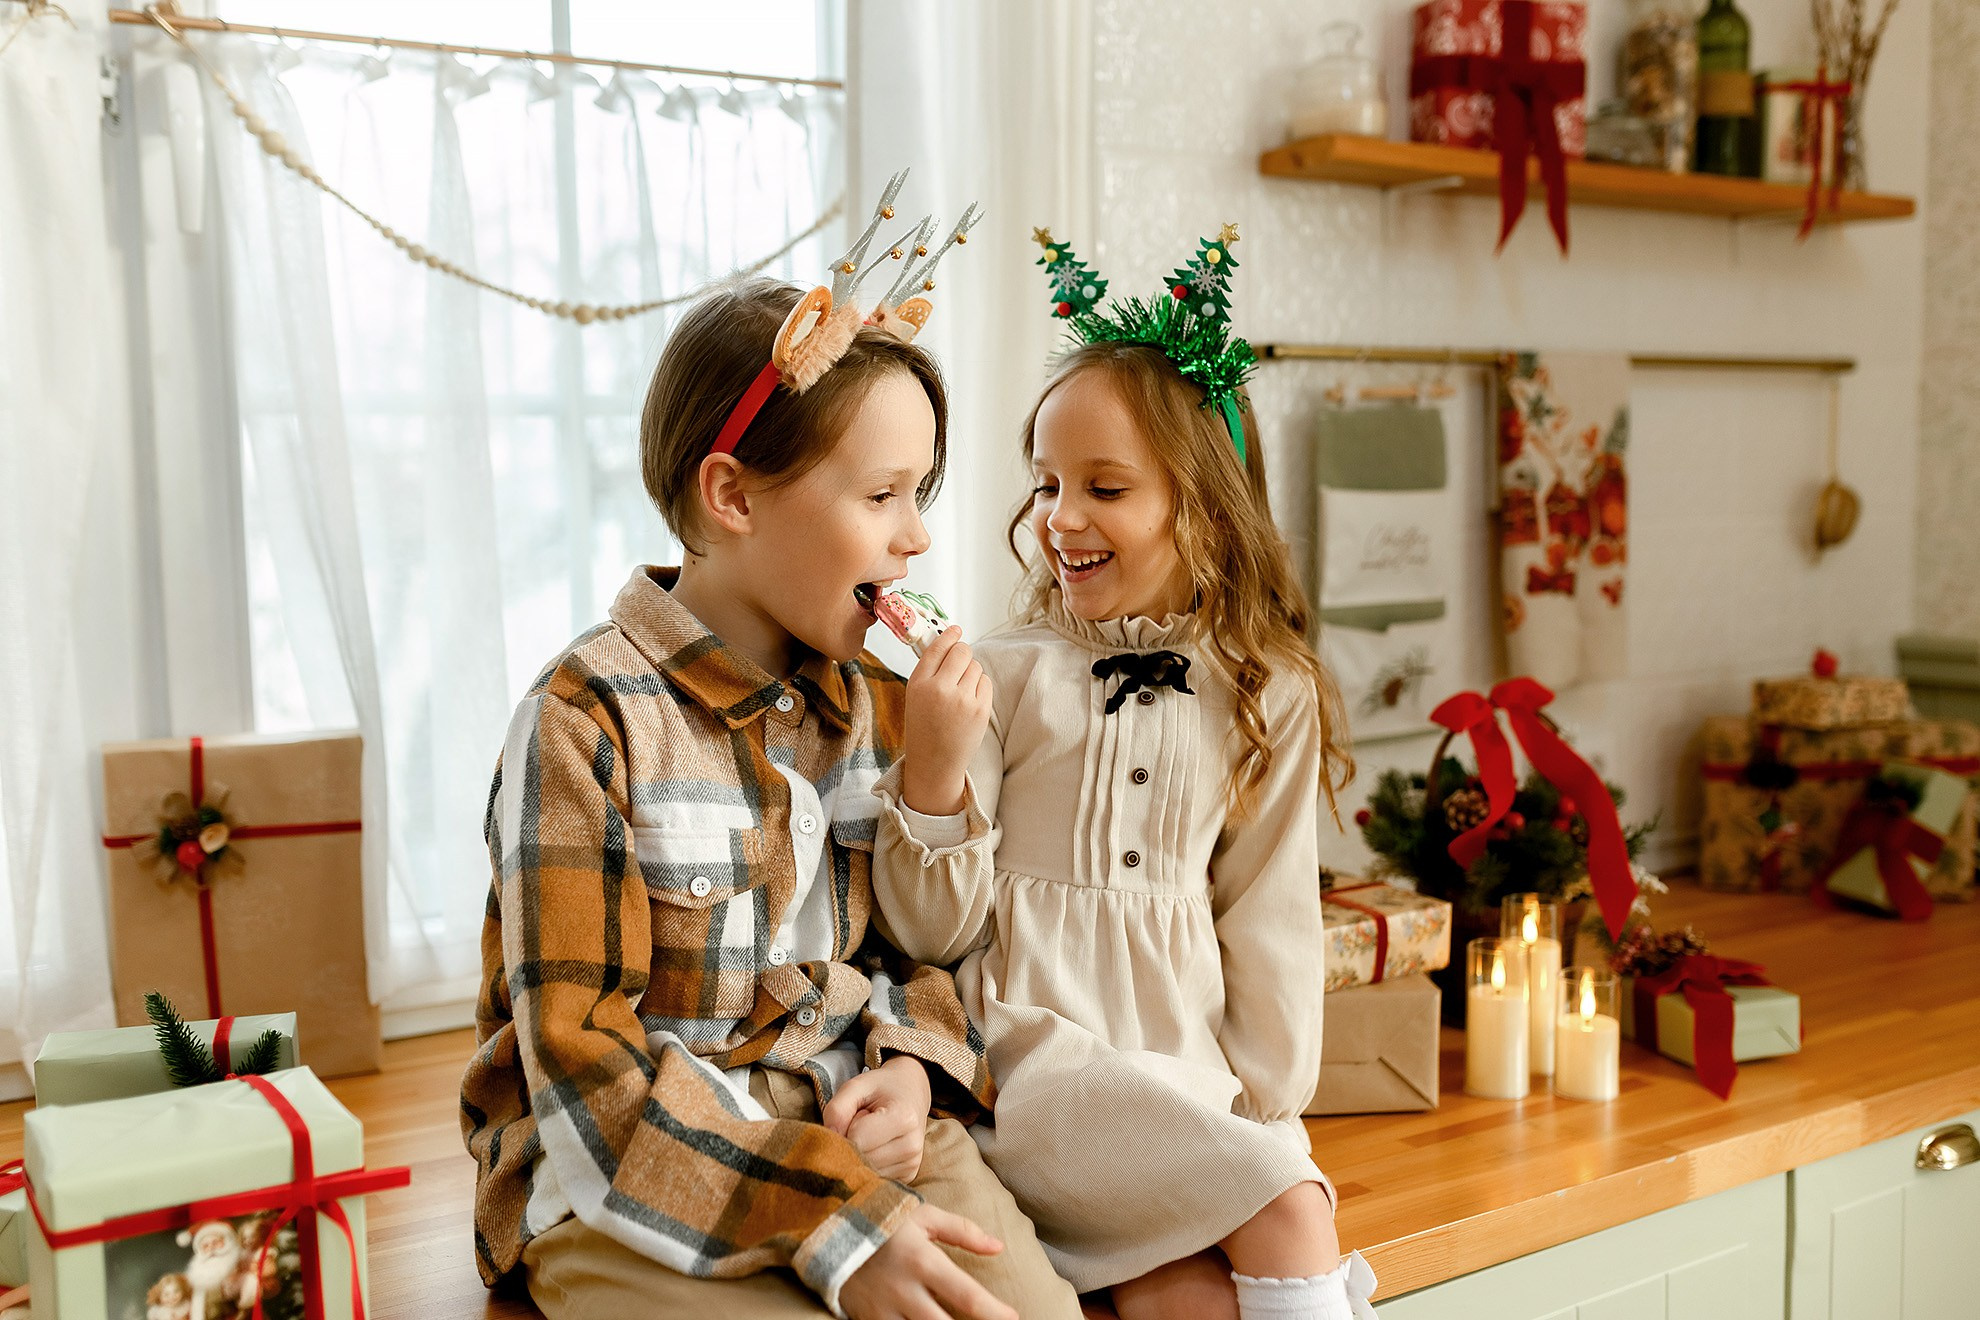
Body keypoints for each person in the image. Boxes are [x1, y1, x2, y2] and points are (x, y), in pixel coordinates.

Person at [462, 177, 1079, 1320]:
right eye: (884, 493)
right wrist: (830, 1228)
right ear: (733, 496)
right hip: (630, 1171)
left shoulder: (868, 701)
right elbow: (587, 1081)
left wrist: (909, 1067)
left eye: (924, 492)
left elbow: (914, 950)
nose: (919, 533)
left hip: (850, 1125)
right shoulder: (583, 721)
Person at [871, 226, 1378, 1320]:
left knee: (1184, 1301)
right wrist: (934, 769)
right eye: (1048, 482)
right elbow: (927, 933)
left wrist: (1259, 1101)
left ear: (1207, 509)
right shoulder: (1002, 676)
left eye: (1106, 487)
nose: (1061, 518)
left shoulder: (1266, 686)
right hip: (1035, 1059)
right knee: (1292, 1207)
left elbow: (1269, 911)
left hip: (1185, 1072)